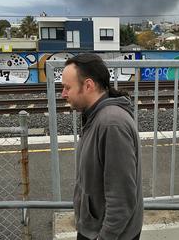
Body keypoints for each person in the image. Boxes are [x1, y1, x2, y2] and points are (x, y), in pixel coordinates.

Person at [61, 53, 143, 240]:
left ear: (88, 85)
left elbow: (122, 197)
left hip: (106, 234)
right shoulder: (96, 116)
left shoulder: (110, 124)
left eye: (67, 87)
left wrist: (105, 236)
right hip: (94, 228)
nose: (63, 94)